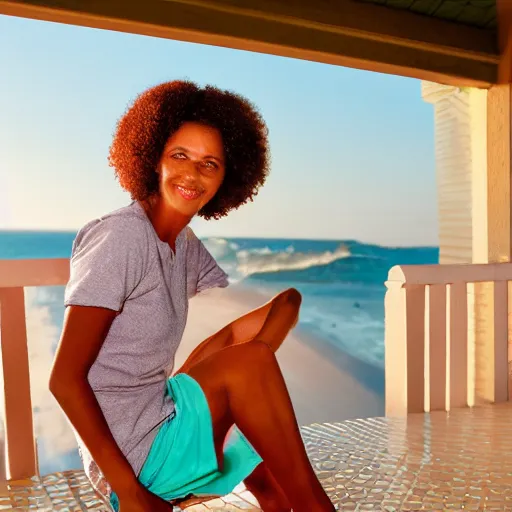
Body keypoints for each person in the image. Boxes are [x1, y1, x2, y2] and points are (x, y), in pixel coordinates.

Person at [50, 80, 335, 512]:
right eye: (179, 155)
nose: (192, 174)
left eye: (210, 164)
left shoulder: (184, 244)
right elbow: (64, 379)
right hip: (133, 458)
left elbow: (251, 325)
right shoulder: (121, 236)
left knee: (267, 462)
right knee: (248, 368)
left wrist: (277, 320)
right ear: (152, 158)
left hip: (163, 414)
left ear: (227, 178)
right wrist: (130, 495)